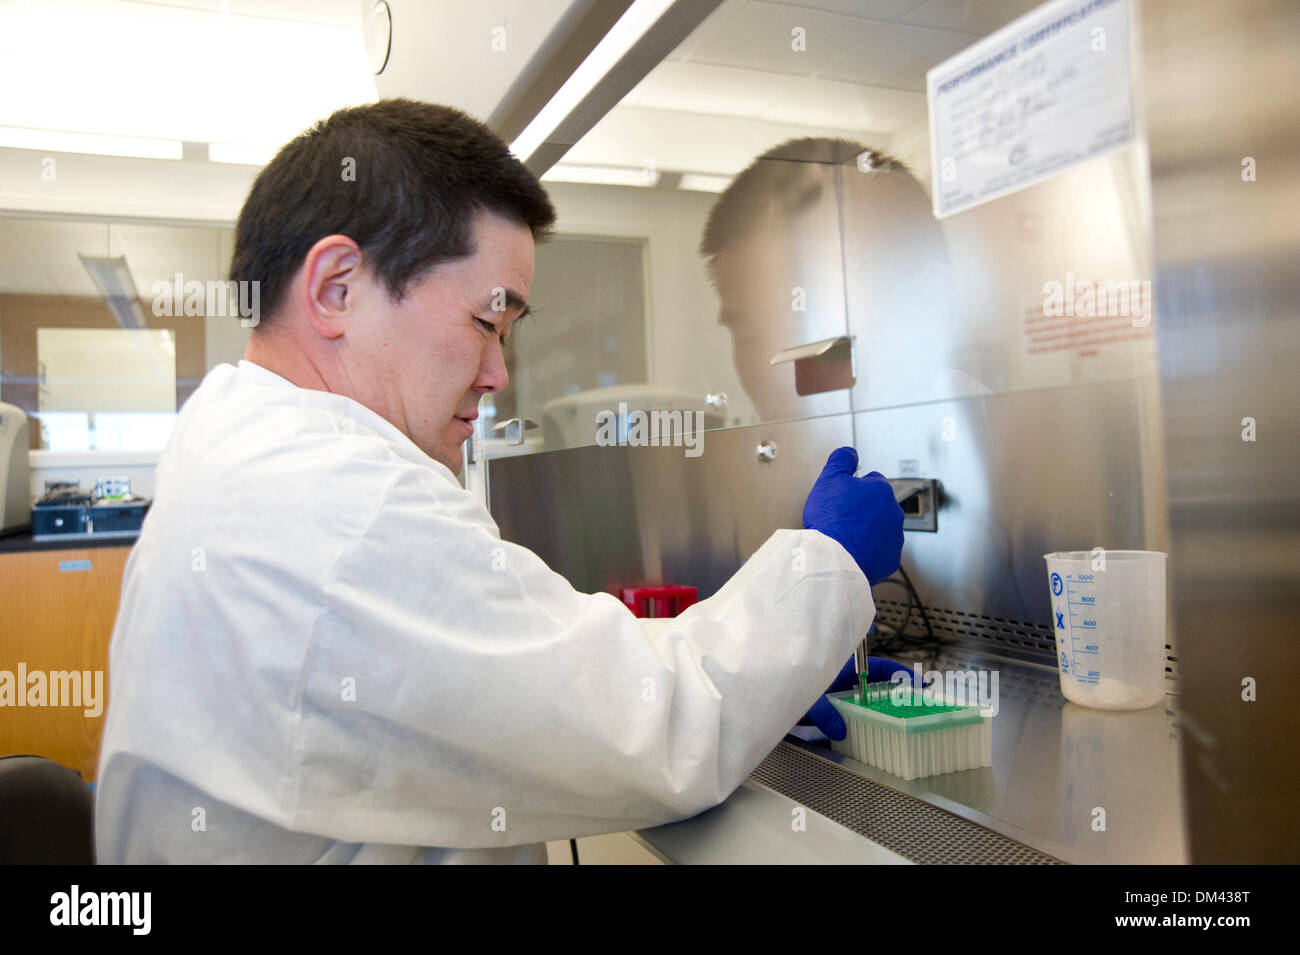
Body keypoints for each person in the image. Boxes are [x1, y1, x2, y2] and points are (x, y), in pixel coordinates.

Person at [94, 99, 903, 864]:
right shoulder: (342, 505)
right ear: (337, 287)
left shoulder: (246, 438)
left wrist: (775, 667)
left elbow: (538, 661)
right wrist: (824, 566)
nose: (497, 375)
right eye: (486, 321)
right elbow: (655, 730)